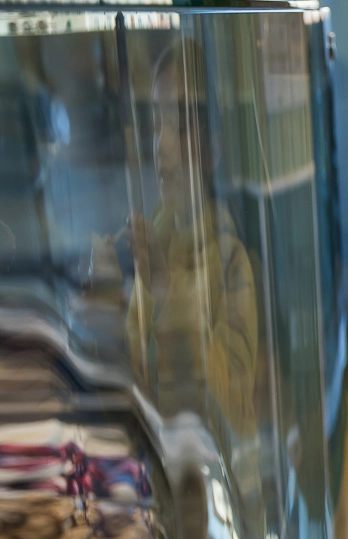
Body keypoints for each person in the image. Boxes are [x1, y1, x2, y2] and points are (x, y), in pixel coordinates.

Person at [119, 41, 259, 437]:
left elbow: (233, 414)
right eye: (157, 123)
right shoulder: (157, 236)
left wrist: (166, 292)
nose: (160, 146)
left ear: (212, 147)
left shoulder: (233, 261)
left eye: (178, 127)